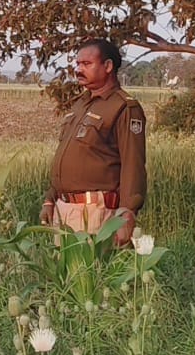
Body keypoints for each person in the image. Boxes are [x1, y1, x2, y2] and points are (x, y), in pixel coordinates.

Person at [39, 39, 147, 245]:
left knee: (93, 274)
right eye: (78, 64)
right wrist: (49, 199)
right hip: (64, 211)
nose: (79, 69)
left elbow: (133, 164)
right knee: (65, 276)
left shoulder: (123, 108)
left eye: (86, 64)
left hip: (96, 214)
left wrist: (127, 212)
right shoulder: (80, 104)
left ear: (107, 66)